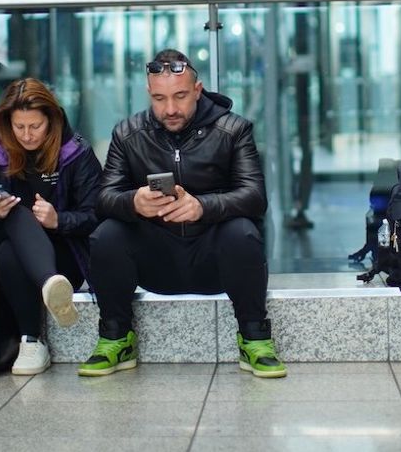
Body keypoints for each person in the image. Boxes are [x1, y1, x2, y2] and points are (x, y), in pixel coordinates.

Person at [81, 49, 286, 378]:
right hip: (156, 258)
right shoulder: (128, 133)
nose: (170, 109)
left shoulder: (234, 130)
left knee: (241, 230)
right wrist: (134, 201)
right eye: (160, 99)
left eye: (180, 96)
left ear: (198, 89)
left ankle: (254, 336)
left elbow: (254, 196)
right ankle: (116, 337)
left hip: (214, 259)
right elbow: (103, 198)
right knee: (107, 234)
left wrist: (202, 207)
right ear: (149, 93)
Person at [0, 77, 103, 375]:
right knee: (15, 214)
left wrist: (59, 220)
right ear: (7, 124)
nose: (27, 136)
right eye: (19, 127)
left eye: (35, 126)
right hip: (6, 259)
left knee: (9, 254)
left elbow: (97, 214)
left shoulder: (76, 153)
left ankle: (31, 343)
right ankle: (49, 285)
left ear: (51, 121)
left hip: (62, 258)